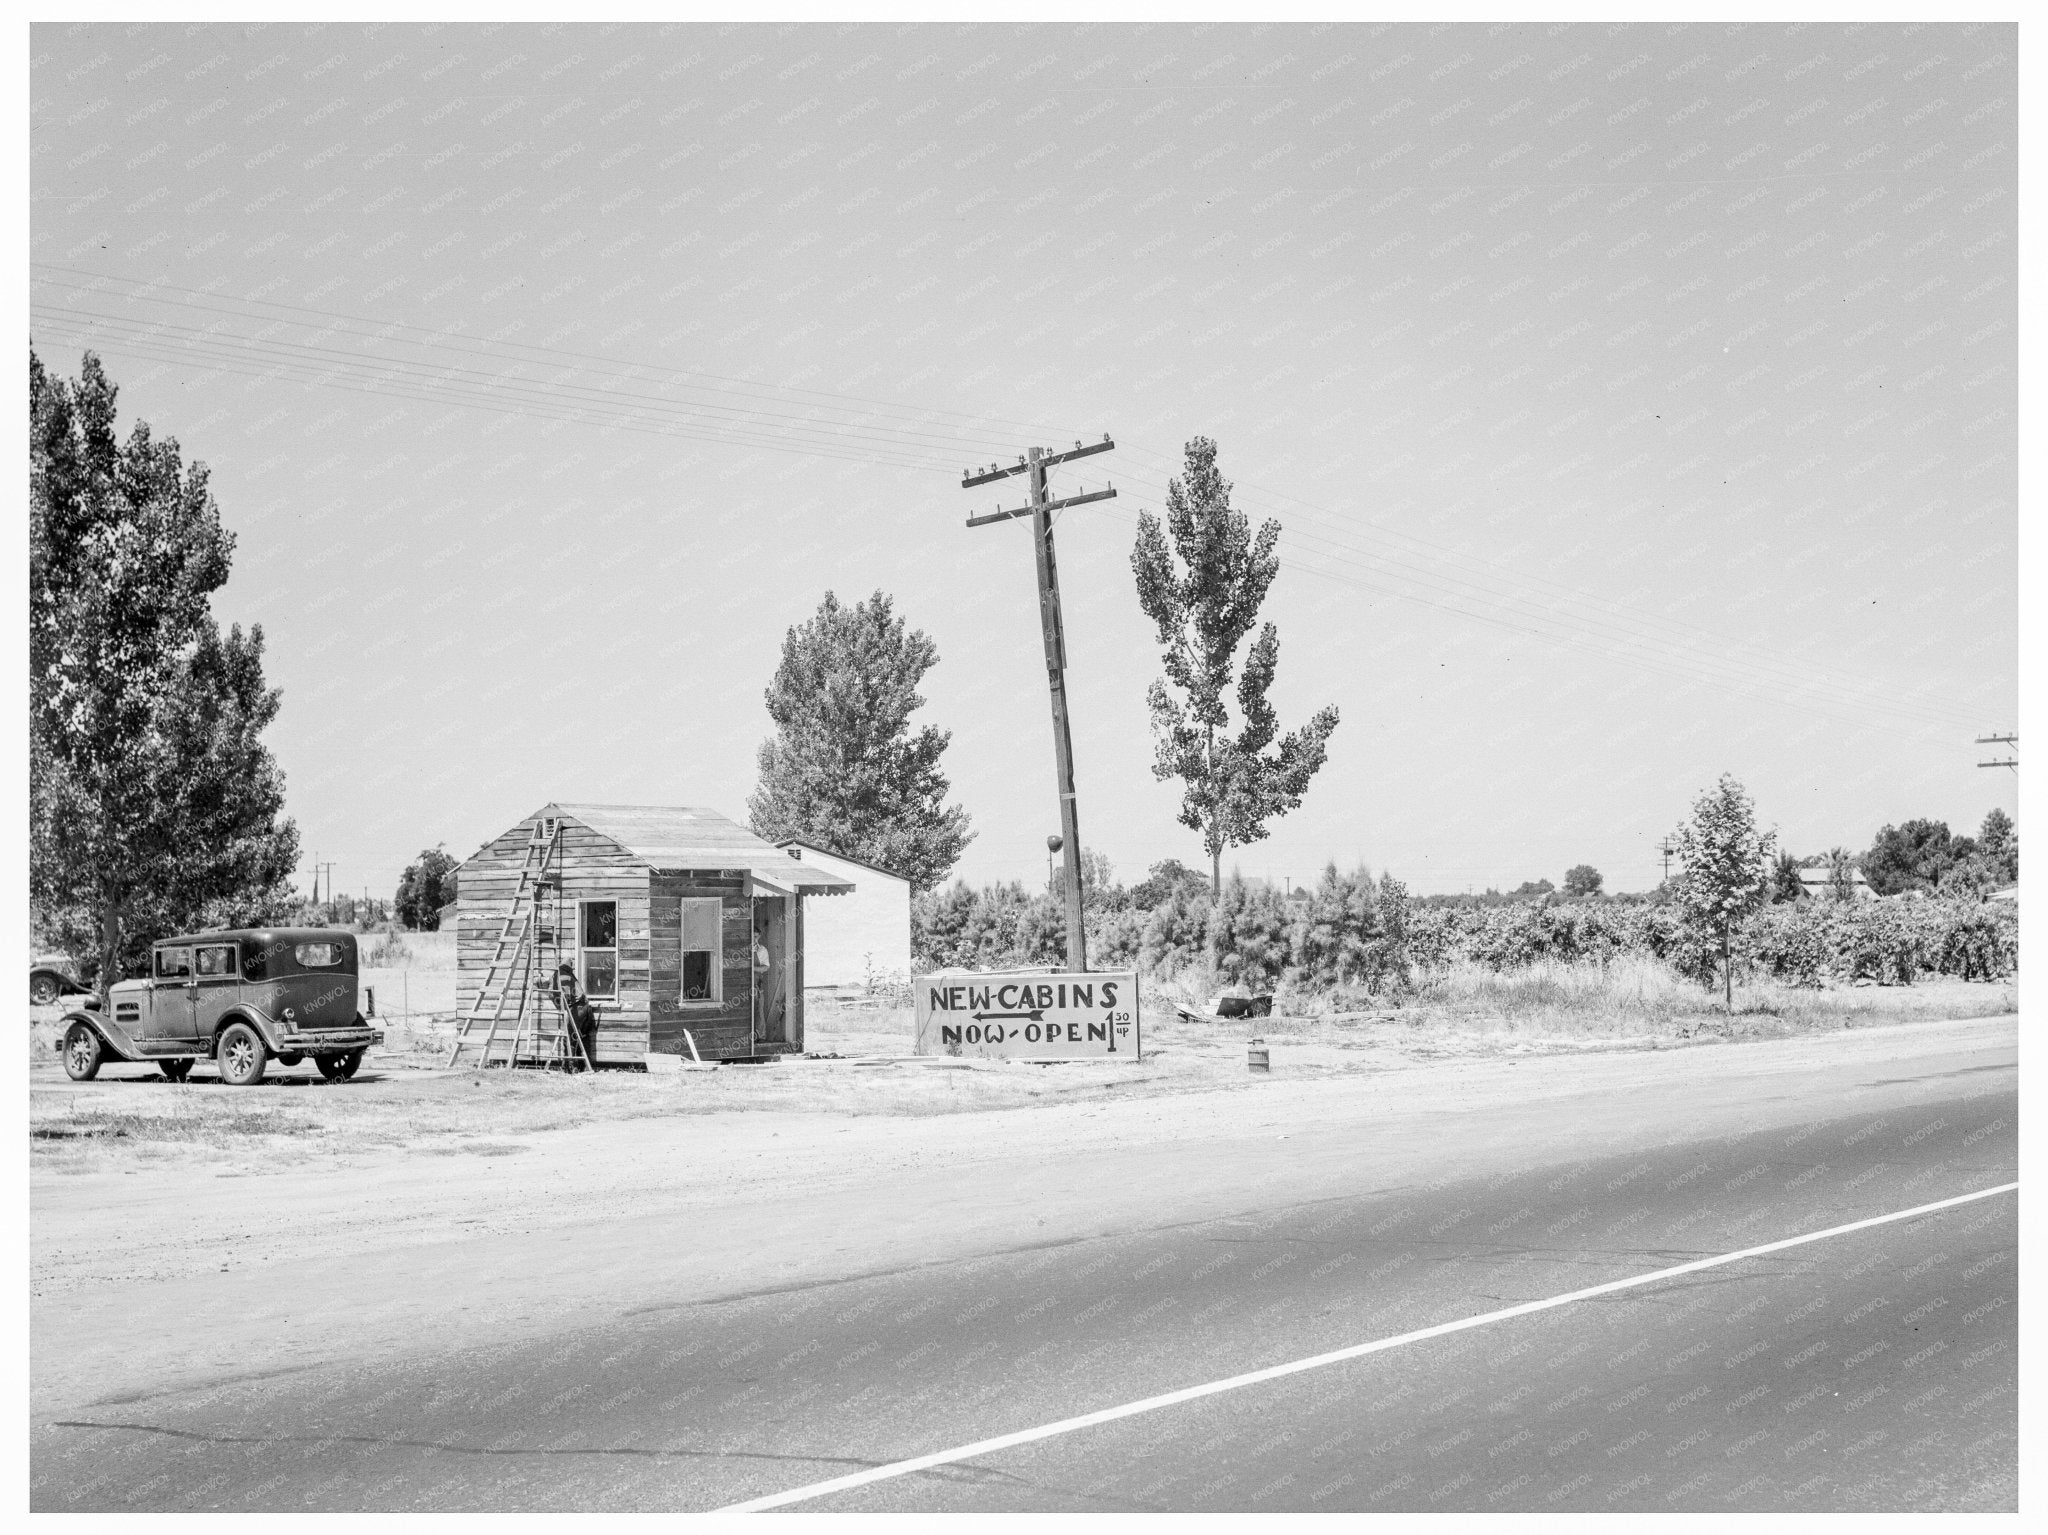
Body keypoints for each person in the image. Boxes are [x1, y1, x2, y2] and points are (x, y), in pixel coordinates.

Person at [553, 963, 598, 1068]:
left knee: (570, 1037)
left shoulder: (558, 976)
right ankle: (585, 1066)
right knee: (583, 1037)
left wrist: (561, 1008)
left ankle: (570, 1066)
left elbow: (559, 996)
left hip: (577, 1008)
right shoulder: (570, 975)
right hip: (586, 1008)